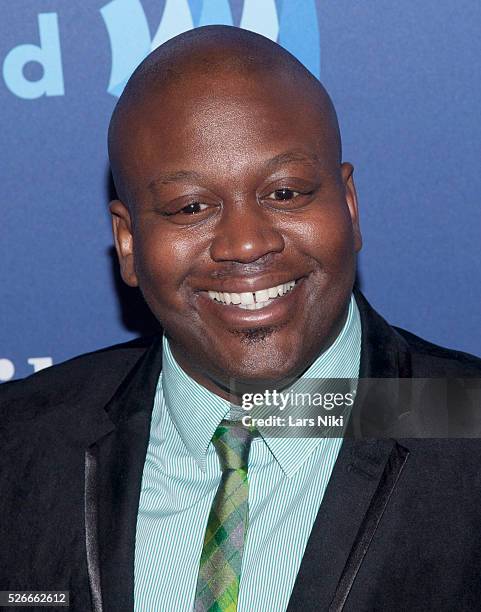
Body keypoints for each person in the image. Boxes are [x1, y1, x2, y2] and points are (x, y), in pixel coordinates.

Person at [1, 25, 481, 612]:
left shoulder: (468, 423)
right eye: (191, 207)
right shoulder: (19, 446)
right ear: (128, 243)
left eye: (285, 193)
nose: (246, 243)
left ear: (349, 207)